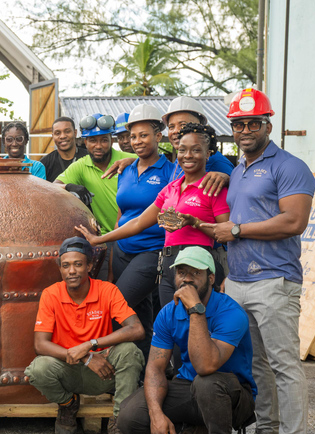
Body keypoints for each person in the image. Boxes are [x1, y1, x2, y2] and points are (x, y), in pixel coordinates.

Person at [208, 88, 315, 434]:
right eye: (239, 124)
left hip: (274, 280)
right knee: (256, 363)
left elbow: (293, 222)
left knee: (285, 364)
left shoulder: (290, 166)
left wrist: (236, 229)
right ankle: (269, 430)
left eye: (254, 123)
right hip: (237, 280)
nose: (246, 130)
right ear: (232, 129)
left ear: (268, 125)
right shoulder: (238, 171)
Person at [117, 247, 256, 434]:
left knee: (206, 382)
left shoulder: (231, 312)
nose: (187, 279)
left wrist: (196, 310)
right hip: (192, 387)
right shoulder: (168, 313)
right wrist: (157, 415)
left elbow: (206, 366)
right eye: (181, 272)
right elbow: (156, 368)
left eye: (195, 273)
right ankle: (194, 433)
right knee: (129, 417)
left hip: (234, 395)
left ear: (211, 278)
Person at [75, 123, 228, 311]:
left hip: (197, 266)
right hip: (169, 265)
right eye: (182, 150)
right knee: (169, 324)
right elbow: (138, 222)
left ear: (207, 154)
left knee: (195, 324)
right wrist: (99, 239)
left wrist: (194, 222)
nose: (187, 155)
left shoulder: (213, 188)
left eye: (196, 150)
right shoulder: (169, 189)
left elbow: (226, 234)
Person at [24, 237, 144, 434]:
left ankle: (120, 425)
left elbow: (137, 329)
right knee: (38, 369)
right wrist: (85, 358)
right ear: (60, 268)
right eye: (66, 265)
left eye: (78, 264)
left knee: (129, 350)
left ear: (89, 266)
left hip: (104, 370)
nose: (72, 271)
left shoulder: (107, 290)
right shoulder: (51, 294)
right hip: (69, 370)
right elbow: (40, 344)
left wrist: (92, 345)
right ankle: (68, 404)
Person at [109, 105, 174, 363]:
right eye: (133, 136)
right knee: (140, 311)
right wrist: (114, 241)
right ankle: (146, 370)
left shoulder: (170, 172)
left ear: (159, 136)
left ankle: (124, 365)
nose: (137, 142)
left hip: (151, 251)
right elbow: (122, 212)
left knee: (118, 306)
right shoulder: (124, 170)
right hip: (122, 250)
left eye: (144, 135)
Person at [55, 113, 136, 280]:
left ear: (111, 141)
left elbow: (162, 167)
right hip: (104, 240)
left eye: (104, 140)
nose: (98, 146)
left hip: (135, 237)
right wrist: (68, 186)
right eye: (93, 140)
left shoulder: (130, 160)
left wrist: (136, 162)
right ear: (85, 142)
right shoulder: (81, 166)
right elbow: (50, 187)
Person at [103, 97, 231, 198]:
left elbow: (239, 192)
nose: (176, 131)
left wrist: (228, 178)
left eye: (183, 125)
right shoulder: (179, 162)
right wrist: (134, 162)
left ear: (201, 126)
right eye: (171, 127)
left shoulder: (215, 160)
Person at [40, 117, 81, 182]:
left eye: (67, 132)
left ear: (75, 133)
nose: (63, 136)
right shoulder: (45, 164)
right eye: (57, 133)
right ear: (53, 136)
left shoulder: (88, 158)